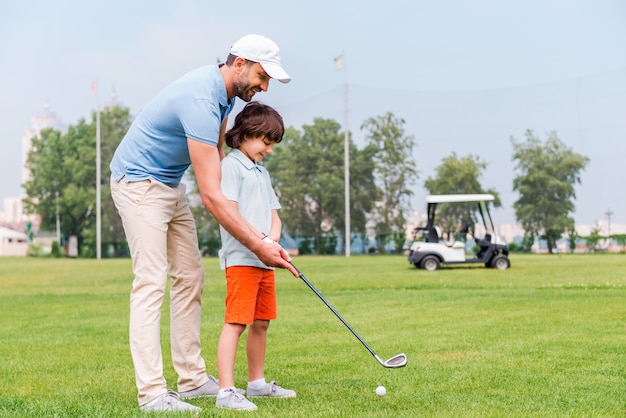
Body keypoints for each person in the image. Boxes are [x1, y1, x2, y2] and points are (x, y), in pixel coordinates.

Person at [109, 34, 297, 413]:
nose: (264, 87)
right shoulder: (200, 98)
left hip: (169, 184)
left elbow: (213, 152)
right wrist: (259, 244)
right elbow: (211, 196)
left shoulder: (225, 95)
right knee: (150, 281)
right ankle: (152, 394)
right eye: (262, 76)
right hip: (138, 183)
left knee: (191, 276)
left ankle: (193, 380)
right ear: (239, 63)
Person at [215, 102, 296, 411]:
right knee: (236, 323)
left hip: (264, 260)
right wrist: (260, 240)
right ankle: (226, 391)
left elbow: (275, 215)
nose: (270, 150)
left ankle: (257, 384)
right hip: (241, 260)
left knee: (261, 322)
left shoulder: (261, 172)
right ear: (247, 134)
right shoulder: (231, 167)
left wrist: (272, 238)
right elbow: (230, 213)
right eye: (266, 142)